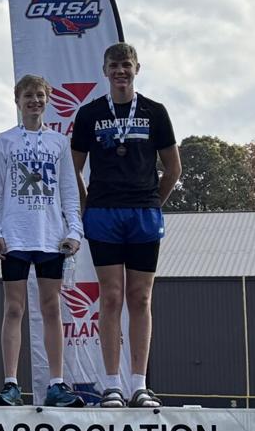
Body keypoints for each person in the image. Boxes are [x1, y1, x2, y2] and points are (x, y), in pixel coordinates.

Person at [71, 42, 181, 408]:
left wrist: (153, 202)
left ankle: (139, 385)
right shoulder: (89, 114)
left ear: (137, 69)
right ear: (105, 70)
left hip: (143, 214)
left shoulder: (155, 112)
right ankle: (111, 385)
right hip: (104, 213)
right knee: (111, 297)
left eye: (127, 65)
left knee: (141, 297)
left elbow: (173, 168)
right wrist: (87, 207)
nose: (121, 71)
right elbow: (73, 168)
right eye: (114, 65)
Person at [0, 74, 84, 408]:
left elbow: (69, 190)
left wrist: (74, 231)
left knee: (51, 307)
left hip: (50, 237)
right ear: (17, 100)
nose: (34, 101)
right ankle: (11, 384)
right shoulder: (3, 141)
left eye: (40, 95)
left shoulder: (59, 143)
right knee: (14, 308)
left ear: (48, 100)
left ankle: (56, 384)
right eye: (28, 95)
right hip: (15, 236)